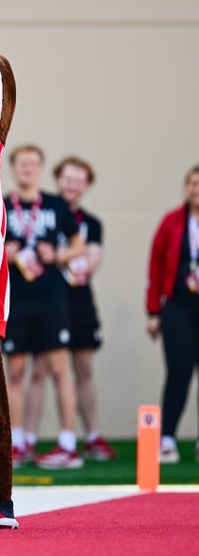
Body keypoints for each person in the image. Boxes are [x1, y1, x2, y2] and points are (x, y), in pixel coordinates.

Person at [2, 144, 86, 469]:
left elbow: (78, 244)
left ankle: (68, 444)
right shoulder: (0, 204)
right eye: (22, 163)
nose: (28, 168)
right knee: (15, 371)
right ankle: (16, 442)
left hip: (51, 298)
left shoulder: (55, 204)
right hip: (14, 298)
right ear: (13, 168)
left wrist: (58, 255)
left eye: (33, 163)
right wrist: (4, 254)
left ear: (40, 168)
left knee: (60, 369)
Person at [51, 155, 116, 460]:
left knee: (84, 369)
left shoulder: (91, 223)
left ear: (87, 186)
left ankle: (92, 435)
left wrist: (59, 256)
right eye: (68, 179)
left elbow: (89, 264)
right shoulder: (46, 213)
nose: (73, 186)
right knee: (45, 369)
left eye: (79, 181)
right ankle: (33, 439)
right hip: (49, 300)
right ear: (57, 180)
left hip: (79, 300)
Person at [146, 164, 199, 464]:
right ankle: (167, 438)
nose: (196, 189)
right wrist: (153, 311)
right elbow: (155, 266)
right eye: (192, 183)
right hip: (178, 307)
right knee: (178, 371)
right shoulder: (172, 221)